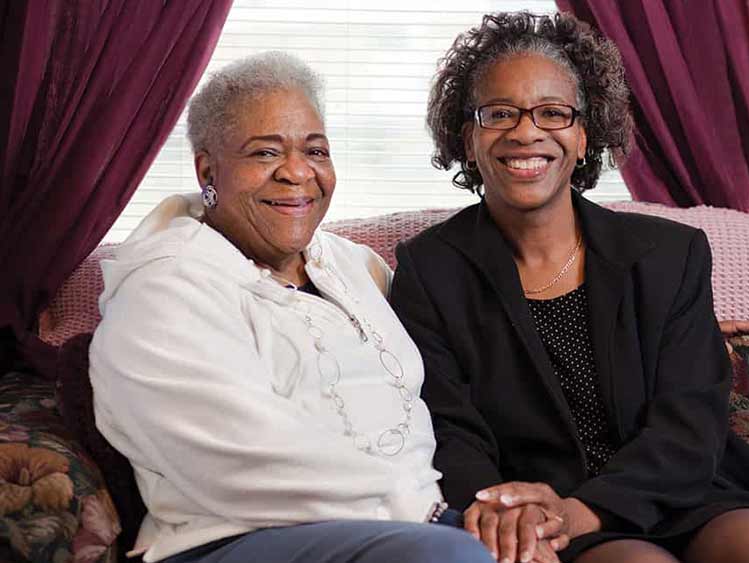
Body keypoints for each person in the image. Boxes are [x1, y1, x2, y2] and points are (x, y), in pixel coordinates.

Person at [390, 12, 749, 563]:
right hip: (541, 507)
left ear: (584, 138)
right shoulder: (430, 268)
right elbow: (448, 425)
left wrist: (580, 510)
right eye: (499, 113)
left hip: (673, 492)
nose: (526, 131)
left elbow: (689, 422)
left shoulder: (670, 254)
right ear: (469, 138)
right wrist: (505, 510)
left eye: (552, 113)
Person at [88, 52, 496, 563]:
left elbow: (445, 389)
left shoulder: (353, 268)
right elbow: (245, 468)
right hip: (237, 539)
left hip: (414, 528)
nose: (298, 172)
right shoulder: (161, 291)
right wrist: (436, 518)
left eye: (316, 150)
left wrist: (500, 504)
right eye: (264, 153)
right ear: (207, 170)